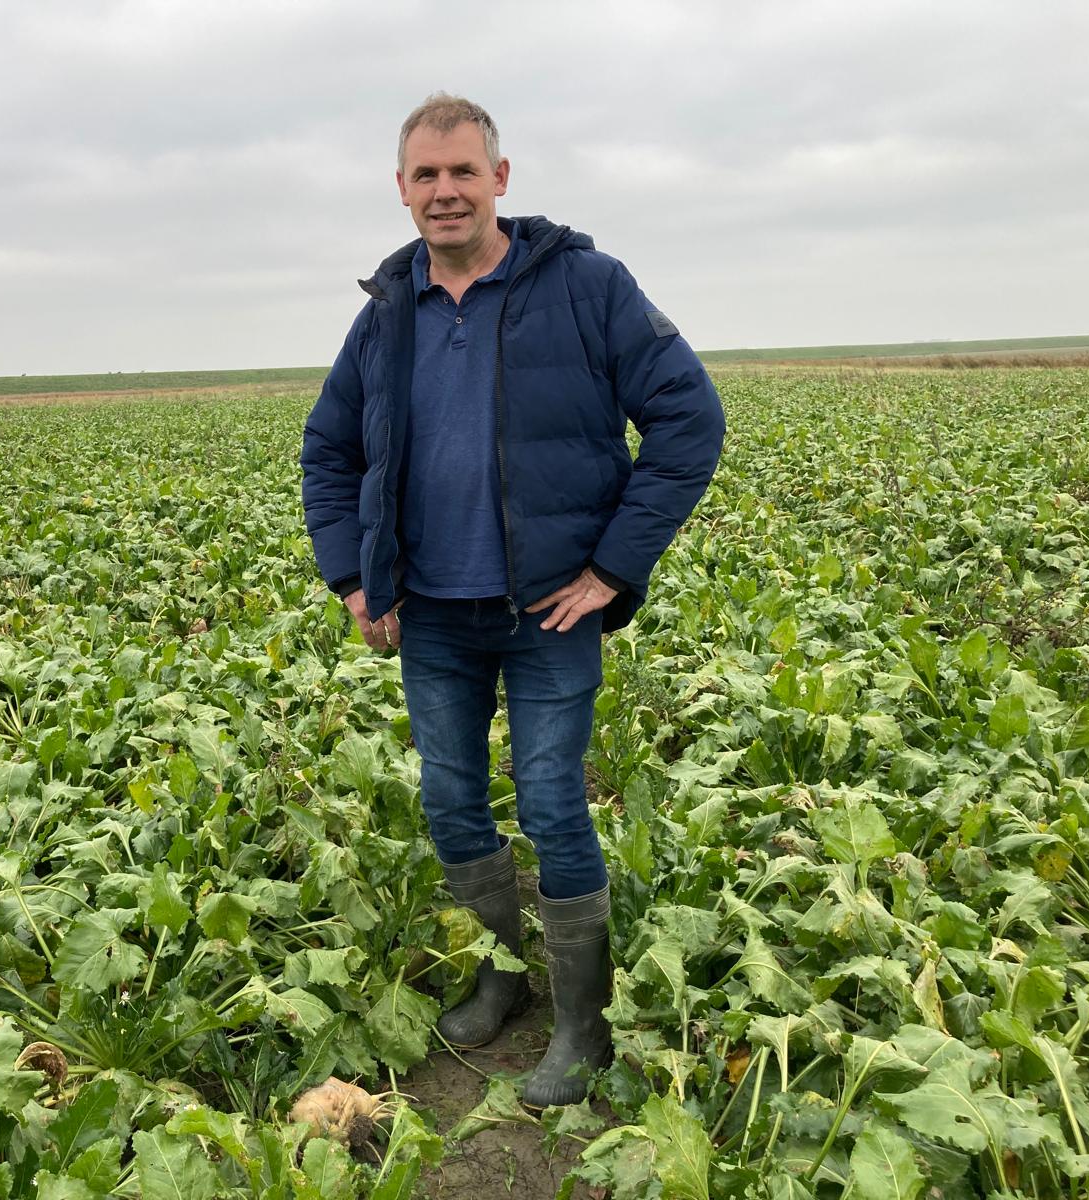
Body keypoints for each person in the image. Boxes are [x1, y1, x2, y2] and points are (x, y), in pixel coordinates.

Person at [299, 93, 725, 1107]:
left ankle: (582, 1021)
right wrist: (355, 578)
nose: (444, 191)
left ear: (499, 178)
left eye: (461, 172)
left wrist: (613, 568)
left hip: (548, 610)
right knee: (450, 801)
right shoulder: (386, 313)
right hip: (432, 615)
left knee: (549, 803)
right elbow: (328, 450)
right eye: (424, 176)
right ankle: (500, 971)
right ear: (402, 192)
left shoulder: (584, 286)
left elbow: (686, 420)